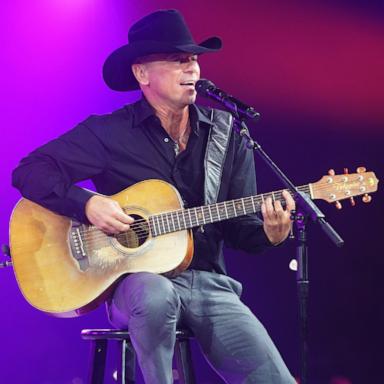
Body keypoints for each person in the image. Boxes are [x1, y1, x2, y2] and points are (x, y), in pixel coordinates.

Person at [12, 9, 296, 384]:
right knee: (155, 293)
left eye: (194, 59)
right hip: (134, 284)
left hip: (208, 284)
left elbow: (239, 227)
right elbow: (29, 171)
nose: (193, 69)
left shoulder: (227, 134)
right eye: (179, 60)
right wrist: (87, 204)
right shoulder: (109, 133)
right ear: (142, 73)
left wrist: (270, 234)